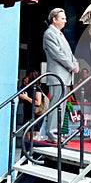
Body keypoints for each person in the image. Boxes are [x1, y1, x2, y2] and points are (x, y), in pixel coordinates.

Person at [43, 8, 80, 144]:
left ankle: (56, 133)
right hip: (57, 76)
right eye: (62, 18)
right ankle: (52, 134)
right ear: (54, 19)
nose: (65, 21)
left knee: (62, 106)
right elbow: (57, 54)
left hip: (64, 76)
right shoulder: (50, 34)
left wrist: (75, 62)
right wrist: (72, 65)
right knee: (56, 105)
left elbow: (68, 53)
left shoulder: (60, 34)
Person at [18, 69, 43, 139]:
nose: (25, 78)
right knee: (26, 132)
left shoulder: (37, 88)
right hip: (27, 112)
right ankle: (26, 148)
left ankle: (28, 148)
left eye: (27, 76)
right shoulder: (27, 88)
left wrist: (26, 98)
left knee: (29, 132)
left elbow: (38, 102)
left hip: (35, 113)